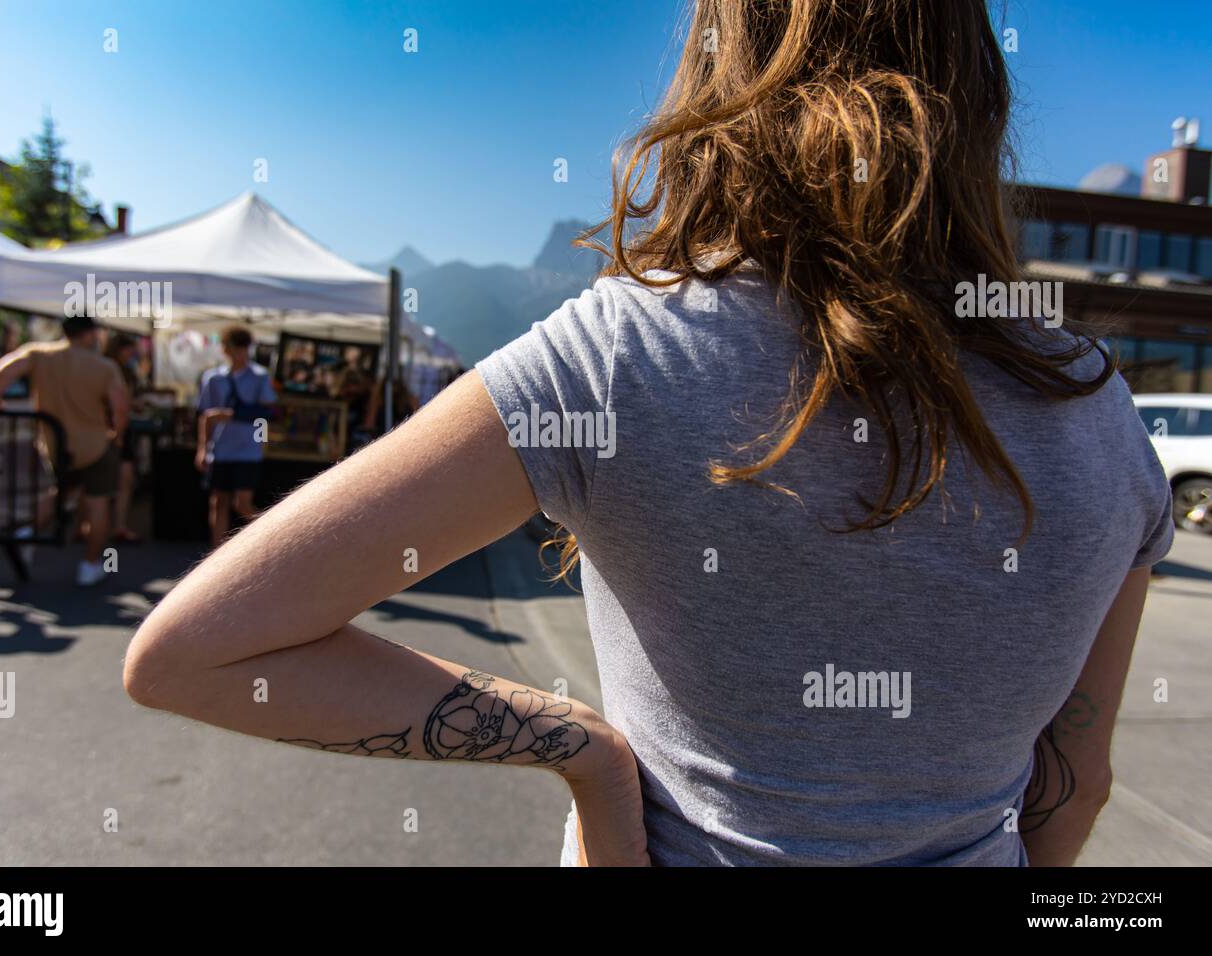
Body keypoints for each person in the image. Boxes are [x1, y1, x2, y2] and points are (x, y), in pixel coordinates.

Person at [124, 0, 1173, 867]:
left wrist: (583, 750)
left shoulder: (625, 350)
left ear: (724, 70)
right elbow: (1071, 788)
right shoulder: (1098, 411)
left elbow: (197, 649)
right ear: (978, 101)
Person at [0, 315, 129, 587]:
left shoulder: (39, 354)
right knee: (98, 503)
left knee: (60, 492)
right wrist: (116, 436)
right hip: (95, 444)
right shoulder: (104, 366)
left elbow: (0, 372)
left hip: (54, 445)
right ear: (89, 334)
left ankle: (27, 534)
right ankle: (90, 565)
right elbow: (120, 407)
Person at [195, 326, 277, 547]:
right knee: (219, 502)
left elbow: (268, 411)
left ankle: (272, 540)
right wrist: (202, 448)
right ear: (226, 349)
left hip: (248, 450)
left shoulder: (259, 376)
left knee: (242, 503)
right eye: (234, 348)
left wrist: (232, 415)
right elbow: (204, 415)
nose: (240, 353)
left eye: (243, 348)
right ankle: (216, 552)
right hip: (221, 450)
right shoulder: (212, 378)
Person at [104, 333, 144, 544]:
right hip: (106, 432)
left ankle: (118, 526)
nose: (133, 354)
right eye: (129, 350)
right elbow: (119, 404)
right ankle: (88, 528)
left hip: (120, 431)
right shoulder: (105, 368)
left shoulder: (128, 371)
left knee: (123, 479)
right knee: (97, 485)